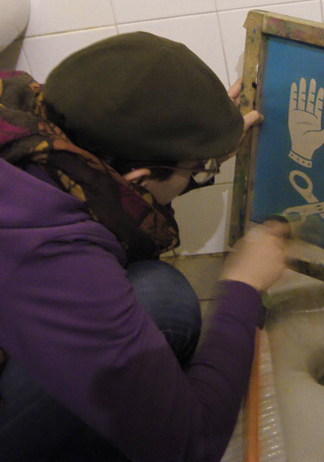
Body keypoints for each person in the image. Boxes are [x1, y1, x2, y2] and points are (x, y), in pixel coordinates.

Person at [0, 32, 288, 461]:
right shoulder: (52, 248)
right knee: (165, 305)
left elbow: (118, 190)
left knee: (162, 294)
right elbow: (194, 445)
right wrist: (244, 286)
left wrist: (201, 145)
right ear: (137, 178)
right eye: (198, 170)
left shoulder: (23, 111)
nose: (202, 173)